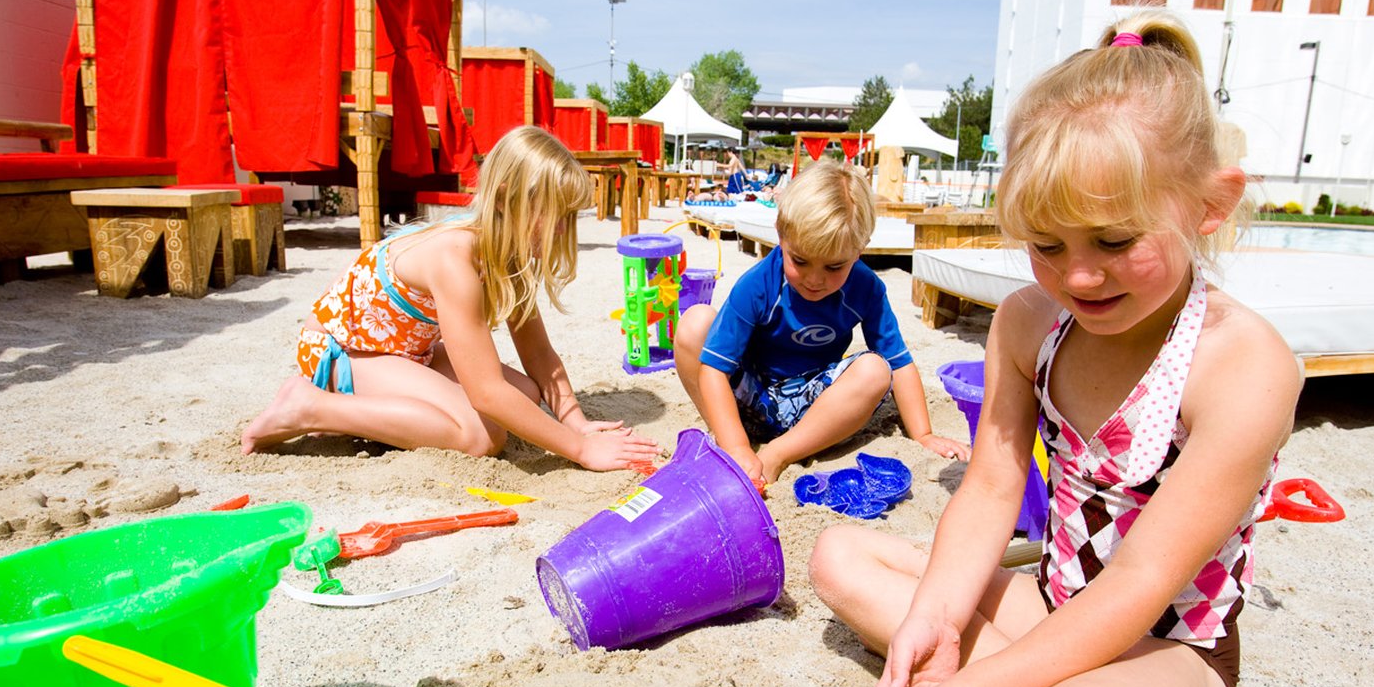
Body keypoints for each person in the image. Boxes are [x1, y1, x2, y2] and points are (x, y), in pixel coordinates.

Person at [807, 10, 1301, 687]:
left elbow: (1143, 582)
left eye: (1113, 240)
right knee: (837, 557)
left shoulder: (1242, 365)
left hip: (1170, 646)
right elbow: (993, 485)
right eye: (1045, 242)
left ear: (1209, 205)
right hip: (1057, 594)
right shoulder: (1029, 322)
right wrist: (935, 618)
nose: (1079, 275)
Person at [241, 125, 661, 472]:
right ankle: (311, 407)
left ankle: (361, 408)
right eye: (556, 216)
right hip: (345, 352)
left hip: (403, 349)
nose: (560, 231)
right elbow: (487, 393)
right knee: (482, 434)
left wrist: (576, 423)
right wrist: (581, 451)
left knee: (528, 396)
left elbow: (538, 353)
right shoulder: (453, 259)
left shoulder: (506, 253)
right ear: (508, 202)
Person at [674, 159, 967, 488]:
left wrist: (924, 434)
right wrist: (739, 448)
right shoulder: (759, 285)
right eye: (800, 261)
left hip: (815, 411)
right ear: (781, 236)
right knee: (694, 323)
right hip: (751, 399)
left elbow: (899, 362)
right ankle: (726, 436)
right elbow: (714, 369)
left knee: (875, 370)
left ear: (859, 250)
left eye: (834, 267)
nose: (815, 279)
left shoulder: (865, 288)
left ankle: (779, 453)